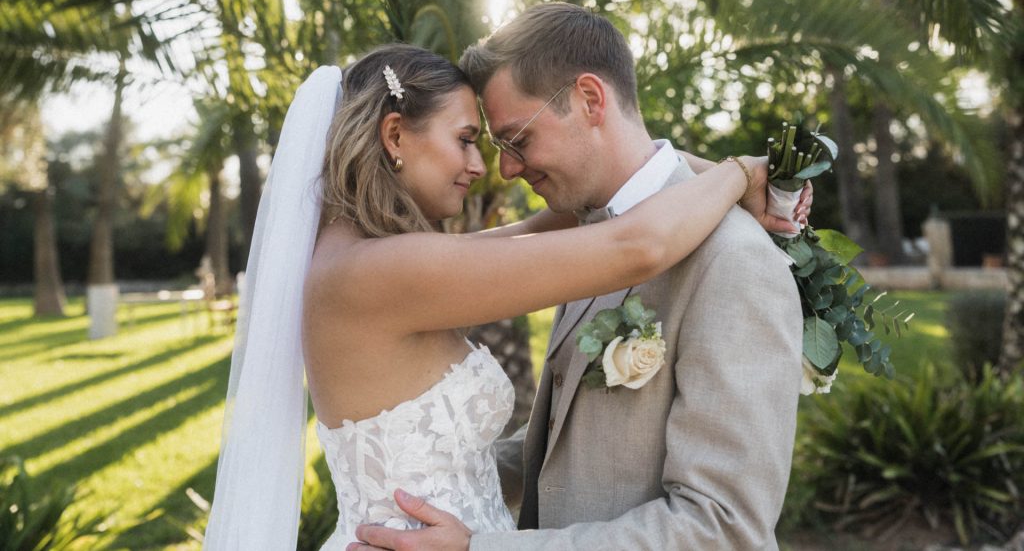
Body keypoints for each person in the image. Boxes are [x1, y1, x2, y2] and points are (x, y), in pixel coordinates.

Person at [202, 41, 807, 550]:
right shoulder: (382, 273)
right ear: (394, 135)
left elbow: (586, 211)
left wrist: (685, 171)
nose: (485, 166)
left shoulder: (368, 260)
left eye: (506, 142)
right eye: (468, 139)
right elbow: (635, 244)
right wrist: (739, 174)